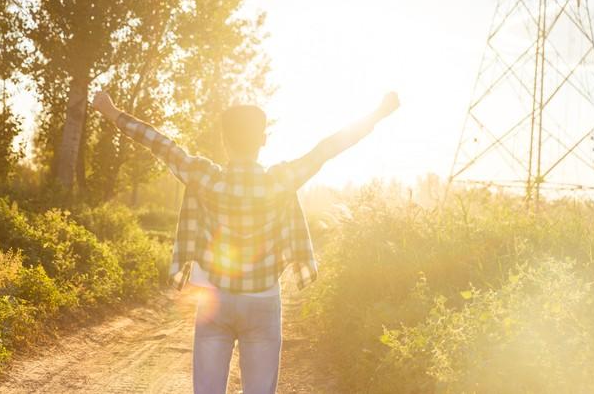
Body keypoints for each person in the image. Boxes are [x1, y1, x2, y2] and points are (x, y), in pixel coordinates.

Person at [91, 90, 400, 394]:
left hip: (216, 302)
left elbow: (159, 143)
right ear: (263, 140)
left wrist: (112, 111)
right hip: (263, 301)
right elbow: (327, 149)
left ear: (224, 141)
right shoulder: (279, 180)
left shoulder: (205, 176)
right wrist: (377, 114)